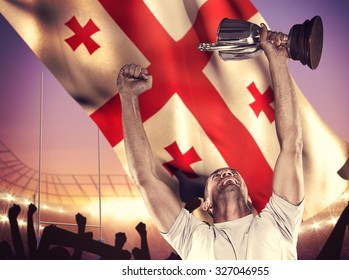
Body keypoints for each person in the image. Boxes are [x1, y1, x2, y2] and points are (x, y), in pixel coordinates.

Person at [118, 23, 304, 260]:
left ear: (249, 197)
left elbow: (292, 146)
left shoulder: (280, 221)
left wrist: (278, 62)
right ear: (206, 205)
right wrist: (128, 96)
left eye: (231, 174)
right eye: (217, 176)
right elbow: (144, 178)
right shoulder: (190, 237)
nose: (226, 173)